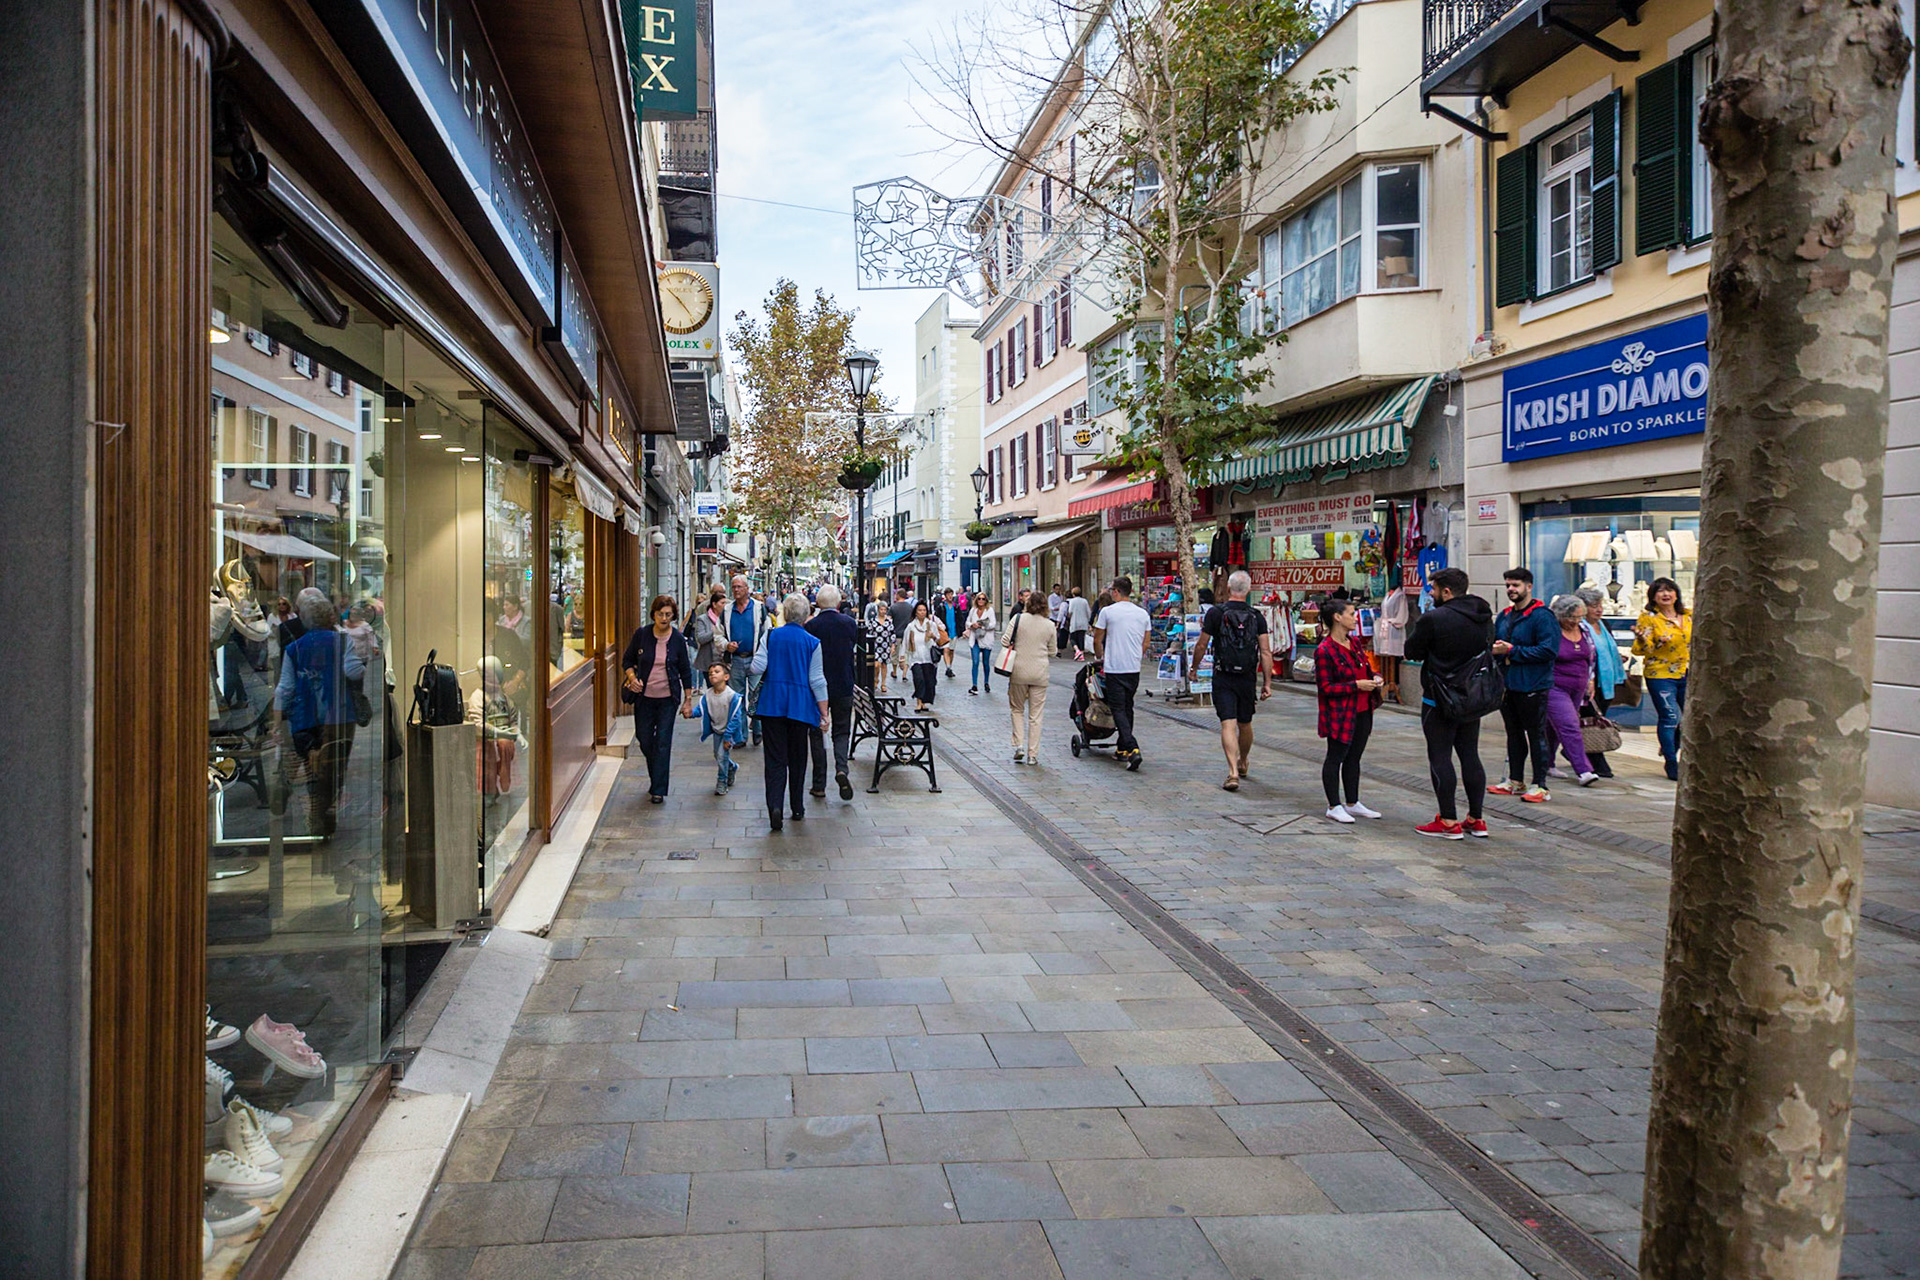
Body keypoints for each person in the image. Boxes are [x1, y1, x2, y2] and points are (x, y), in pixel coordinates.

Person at [1404, 567, 1492, 839]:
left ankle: (1448, 820)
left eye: (1433, 589)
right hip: (1472, 695)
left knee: (1440, 755)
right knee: (1470, 755)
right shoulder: (1483, 614)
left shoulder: (1434, 618)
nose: (1430, 593)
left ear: (1446, 591)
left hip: (1438, 696)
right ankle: (1476, 818)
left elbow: (1412, 650)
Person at [275, 588, 365, 838]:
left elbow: (285, 688)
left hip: (304, 716)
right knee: (334, 768)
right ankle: (324, 815)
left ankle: (313, 811)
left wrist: (276, 721)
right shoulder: (343, 641)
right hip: (339, 716)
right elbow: (354, 671)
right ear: (329, 617)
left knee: (312, 768)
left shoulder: (294, 647)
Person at [750, 595, 829, 831]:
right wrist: (824, 713)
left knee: (774, 759)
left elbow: (757, 666)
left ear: (785, 613)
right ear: (805, 616)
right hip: (800, 706)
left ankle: (775, 806)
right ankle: (797, 807)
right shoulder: (812, 642)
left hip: (772, 703)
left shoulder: (770, 636)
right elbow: (817, 680)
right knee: (798, 757)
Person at [1189, 570, 1273, 790]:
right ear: (1249, 590)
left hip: (1223, 674)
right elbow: (1265, 652)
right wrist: (1267, 683)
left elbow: (1201, 644)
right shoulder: (1257, 616)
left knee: (1228, 723)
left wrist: (1194, 668)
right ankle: (1243, 761)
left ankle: (1232, 772)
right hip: (1247, 677)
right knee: (1245, 723)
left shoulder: (1216, 613)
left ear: (1228, 588)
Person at [1489, 567, 1558, 802]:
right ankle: (1515, 780)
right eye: (1508, 585)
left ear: (1529, 587)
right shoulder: (1505, 615)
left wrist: (1512, 651)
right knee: (1513, 733)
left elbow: (1548, 650)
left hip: (1533, 684)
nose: (1511, 589)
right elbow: (1495, 643)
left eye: (1516, 585)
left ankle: (1540, 785)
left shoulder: (1542, 616)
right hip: (1508, 684)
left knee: (1536, 734)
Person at [1314, 597, 1384, 822]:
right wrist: (1356, 685)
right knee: (1336, 756)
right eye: (1351, 614)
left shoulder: (1353, 643)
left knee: (1354, 756)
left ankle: (1353, 802)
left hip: (1363, 708)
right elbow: (1326, 688)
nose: (1355, 619)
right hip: (1340, 713)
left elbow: (1365, 668)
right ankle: (1334, 805)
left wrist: (1374, 677)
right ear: (1337, 617)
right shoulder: (1325, 650)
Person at [622, 595, 696, 804]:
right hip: (644, 698)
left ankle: (658, 789)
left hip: (667, 699)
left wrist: (688, 699)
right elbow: (627, 660)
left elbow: (685, 670)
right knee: (645, 739)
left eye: (668, 615)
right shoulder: (642, 635)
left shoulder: (677, 639)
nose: (664, 618)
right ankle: (657, 775)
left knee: (663, 742)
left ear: (673, 616)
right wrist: (632, 678)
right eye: (660, 614)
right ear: (653, 614)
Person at [1538, 594, 1602, 787]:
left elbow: (1590, 656)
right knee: (1569, 725)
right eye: (1572, 617)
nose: (1576, 621)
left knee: (1554, 727)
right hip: (1555, 685)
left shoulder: (1584, 629)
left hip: (1578, 686)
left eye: (1580, 616)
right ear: (1560, 615)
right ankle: (1584, 770)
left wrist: (1591, 679)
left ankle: (1547, 763)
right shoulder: (1551, 631)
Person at [1633, 576, 1692, 781]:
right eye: (1660, 591)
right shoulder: (1649, 618)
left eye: (1669, 590)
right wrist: (1644, 639)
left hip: (1687, 672)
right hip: (1660, 673)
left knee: (1689, 717)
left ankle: (1671, 746)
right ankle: (1671, 761)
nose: (1666, 594)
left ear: (1676, 594)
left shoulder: (1688, 616)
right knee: (1669, 716)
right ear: (1653, 596)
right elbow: (1642, 649)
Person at [805, 585, 859, 801]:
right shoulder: (849, 623)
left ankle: (819, 784)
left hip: (818, 688)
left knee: (817, 733)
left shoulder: (811, 626)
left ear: (818, 603)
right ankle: (842, 769)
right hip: (843, 684)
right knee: (841, 730)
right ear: (838, 603)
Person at [1091, 576, 1152, 764]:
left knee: (1117, 708)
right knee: (1128, 706)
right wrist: (1136, 656)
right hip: (1133, 668)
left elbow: (1097, 639)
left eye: (1112, 590)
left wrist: (1099, 656)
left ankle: (1132, 747)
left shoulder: (1107, 612)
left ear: (1116, 591)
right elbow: (1146, 642)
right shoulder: (1142, 614)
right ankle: (1122, 748)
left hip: (1115, 667)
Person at [1566, 586, 1623, 778]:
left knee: (1598, 718)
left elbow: (1608, 648)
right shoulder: (1578, 627)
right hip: (1587, 680)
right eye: (1593, 606)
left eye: (1600, 605)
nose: (1599, 609)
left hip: (1606, 681)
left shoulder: (1604, 625)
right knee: (1591, 721)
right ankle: (1598, 763)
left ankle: (1573, 752)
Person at [1004, 591, 1058, 764]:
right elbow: (1053, 651)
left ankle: (1019, 745)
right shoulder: (1049, 625)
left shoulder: (1018, 619)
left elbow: (1005, 641)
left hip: (1018, 671)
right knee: (1036, 715)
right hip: (1040, 673)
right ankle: (1032, 755)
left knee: (1017, 709)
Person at [723, 576, 770, 747]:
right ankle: (741, 736)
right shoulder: (727, 610)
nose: (736, 590)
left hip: (755, 659)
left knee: (756, 696)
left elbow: (767, 632)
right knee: (737, 699)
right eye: (734, 587)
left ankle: (757, 730)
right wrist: (726, 645)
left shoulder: (758, 608)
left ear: (747, 589)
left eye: (739, 587)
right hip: (735, 660)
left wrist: (764, 655)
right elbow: (718, 634)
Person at [468, 656, 520, 799]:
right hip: (486, 741)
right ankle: (490, 790)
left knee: (505, 745)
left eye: (494, 674)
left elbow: (513, 718)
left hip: (504, 742)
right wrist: (500, 732)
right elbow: (478, 724)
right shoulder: (478, 697)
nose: (493, 679)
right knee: (489, 756)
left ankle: (502, 782)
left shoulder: (505, 698)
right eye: (488, 675)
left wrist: (513, 732)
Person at [693, 662, 748, 795]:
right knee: (718, 755)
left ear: (726, 677)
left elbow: (736, 719)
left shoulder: (732, 696)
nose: (712, 674)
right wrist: (690, 713)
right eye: (710, 673)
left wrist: (728, 737)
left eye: (717, 672)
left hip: (728, 732)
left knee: (722, 756)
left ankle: (722, 782)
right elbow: (700, 710)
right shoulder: (708, 695)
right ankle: (732, 767)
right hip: (717, 731)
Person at [1376, 574, 1413, 701]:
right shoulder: (1388, 595)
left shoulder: (1400, 596)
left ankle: (1393, 684)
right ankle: (1388, 684)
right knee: (1387, 655)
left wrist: (1394, 622)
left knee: (1394, 654)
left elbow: (1402, 615)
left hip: (1394, 630)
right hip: (1386, 628)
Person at [902, 601, 944, 712]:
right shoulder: (911, 626)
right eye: (920, 610)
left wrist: (933, 636)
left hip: (928, 657)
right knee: (919, 679)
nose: (922, 612)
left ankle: (924, 702)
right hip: (915, 657)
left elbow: (938, 640)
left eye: (924, 610)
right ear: (916, 612)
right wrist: (903, 658)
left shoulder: (931, 625)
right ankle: (918, 702)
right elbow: (905, 643)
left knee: (928, 681)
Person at [687, 584, 728, 672]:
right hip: (708, 658)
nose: (725, 605)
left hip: (725, 659)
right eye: (715, 592)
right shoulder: (702, 611)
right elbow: (700, 637)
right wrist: (716, 632)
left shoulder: (729, 612)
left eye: (721, 592)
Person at [964, 591, 999, 695]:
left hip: (986, 639)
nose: (981, 601)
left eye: (983, 599)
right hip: (975, 639)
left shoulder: (989, 610)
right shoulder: (973, 610)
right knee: (975, 662)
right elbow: (967, 621)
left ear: (986, 600)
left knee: (985, 662)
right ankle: (974, 685)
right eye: (979, 598)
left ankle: (986, 682)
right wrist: (972, 625)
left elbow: (993, 624)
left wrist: (984, 625)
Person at [868, 604, 896, 695]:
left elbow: (892, 634)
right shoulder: (873, 621)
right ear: (878, 610)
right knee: (876, 664)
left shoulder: (889, 622)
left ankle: (883, 684)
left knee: (884, 665)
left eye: (884, 610)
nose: (883, 611)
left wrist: (893, 645)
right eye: (881, 609)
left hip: (885, 645)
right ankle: (876, 679)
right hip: (876, 645)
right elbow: (869, 632)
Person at [940, 589, 962, 680]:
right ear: (945, 595)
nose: (950, 596)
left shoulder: (956, 606)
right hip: (945, 632)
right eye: (948, 594)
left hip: (954, 631)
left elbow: (960, 618)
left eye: (951, 594)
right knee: (946, 650)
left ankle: (949, 667)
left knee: (951, 651)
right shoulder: (942, 606)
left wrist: (961, 630)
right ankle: (948, 667)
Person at [1066, 587, 1093, 659]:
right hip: (1083, 623)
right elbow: (1088, 612)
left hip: (1074, 622)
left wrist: (1068, 618)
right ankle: (1081, 654)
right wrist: (1088, 621)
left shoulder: (1072, 601)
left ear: (1073, 594)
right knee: (1081, 638)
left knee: (1072, 638)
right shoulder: (1084, 601)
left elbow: (1070, 612)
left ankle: (1077, 651)